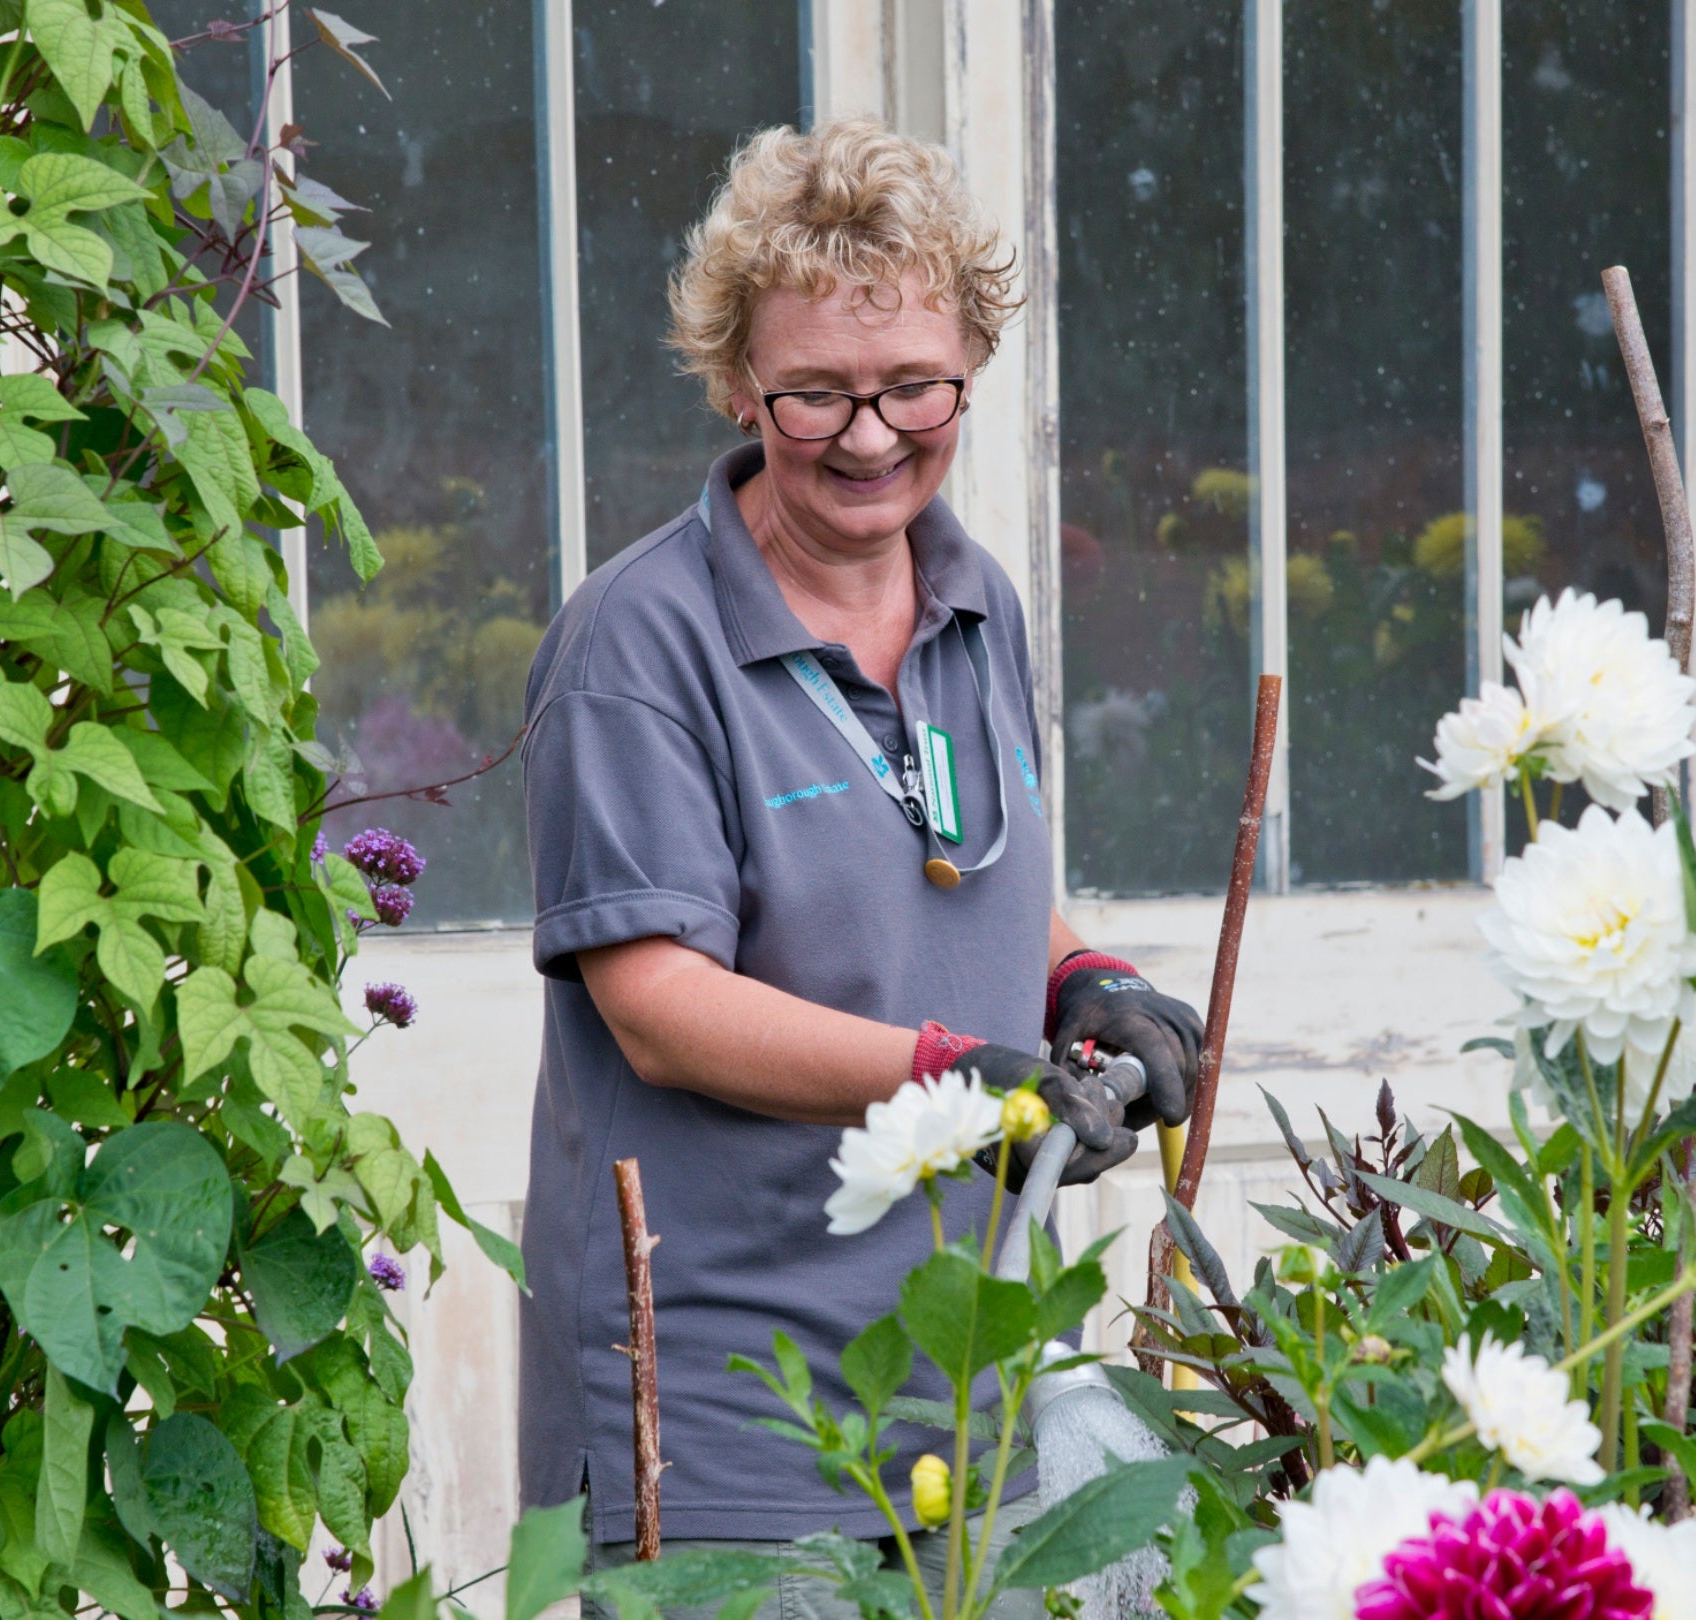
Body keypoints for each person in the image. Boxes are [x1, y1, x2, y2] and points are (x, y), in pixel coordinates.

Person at [517, 118, 1206, 1595]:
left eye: (912, 387)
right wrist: (967, 1075)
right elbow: (657, 1005)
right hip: (728, 1434)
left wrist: (1085, 979)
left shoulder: (976, 601)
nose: (873, 435)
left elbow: (958, 866)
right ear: (736, 383)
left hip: (965, 1391)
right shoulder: (641, 643)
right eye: (815, 394)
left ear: (970, 367)